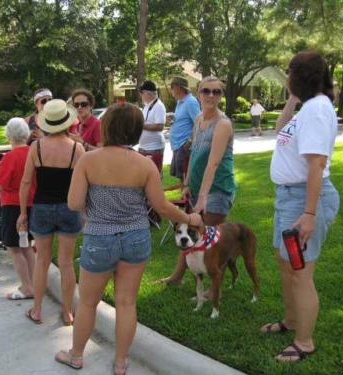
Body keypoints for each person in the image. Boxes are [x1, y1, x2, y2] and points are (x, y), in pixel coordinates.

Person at [54, 103, 202, 374]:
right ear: (136, 130)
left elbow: (74, 203)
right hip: (136, 238)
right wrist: (190, 219)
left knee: (87, 302)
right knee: (126, 303)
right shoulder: (145, 164)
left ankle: (76, 355)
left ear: (107, 126)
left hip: (99, 238)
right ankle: (121, 363)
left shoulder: (88, 160)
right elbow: (162, 207)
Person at [260, 51, 339, 362]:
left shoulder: (318, 110)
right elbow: (281, 132)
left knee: (300, 271)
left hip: (303, 200)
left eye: (289, 72)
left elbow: (317, 164)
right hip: (288, 198)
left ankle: (304, 342)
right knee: (286, 263)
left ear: (300, 75)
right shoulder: (307, 107)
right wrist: (292, 100)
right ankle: (291, 321)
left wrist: (309, 214)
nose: (287, 77)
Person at [161, 76, 236, 287]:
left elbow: (213, 164)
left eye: (216, 92)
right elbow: (193, 154)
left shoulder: (223, 124)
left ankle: (213, 290)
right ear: (199, 93)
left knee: (211, 243)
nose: (211, 95)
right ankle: (176, 277)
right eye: (206, 91)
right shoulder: (198, 119)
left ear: (220, 96)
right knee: (191, 233)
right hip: (197, 188)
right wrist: (186, 184)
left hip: (218, 189)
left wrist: (202, 198)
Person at [18, 99, 85, 325]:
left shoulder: (35, 147)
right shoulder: (77, 148)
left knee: (42, 260)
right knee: (66, 263)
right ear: (67, 122)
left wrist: (22, 213)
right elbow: (83, 184)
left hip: (42, 208)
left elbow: (26, 182)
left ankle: (37, 309)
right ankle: (67, 312)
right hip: (69, 208)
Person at [0, 118, 37, 300]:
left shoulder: (9, 157)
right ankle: (35, 284)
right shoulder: (34, 153)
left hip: (12, 205)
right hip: (32, 203)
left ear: (9, 135)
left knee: (14, 248)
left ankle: (26, 287)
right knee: (27, 246)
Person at [168, 76, 200, 185]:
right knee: (182, 178)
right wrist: (173, 120)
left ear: (179, 87)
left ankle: (190, 201)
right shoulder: (180, 102)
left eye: (172, 86)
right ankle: (185, 200)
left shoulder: (190, 102)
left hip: (184, 146)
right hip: (178, 145)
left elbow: (199, 123)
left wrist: (189, 142)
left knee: (187, 179)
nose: (171, 89)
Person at [138, 80, 167, 174]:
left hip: (154, 148)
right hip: (144, 147)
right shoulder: (147, 106)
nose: (140, 95)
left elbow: (160, 126)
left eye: (141, 93)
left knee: (154, 175)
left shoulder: (158, 106)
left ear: (148, 93)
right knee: (143, 175)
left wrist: (140, 126)